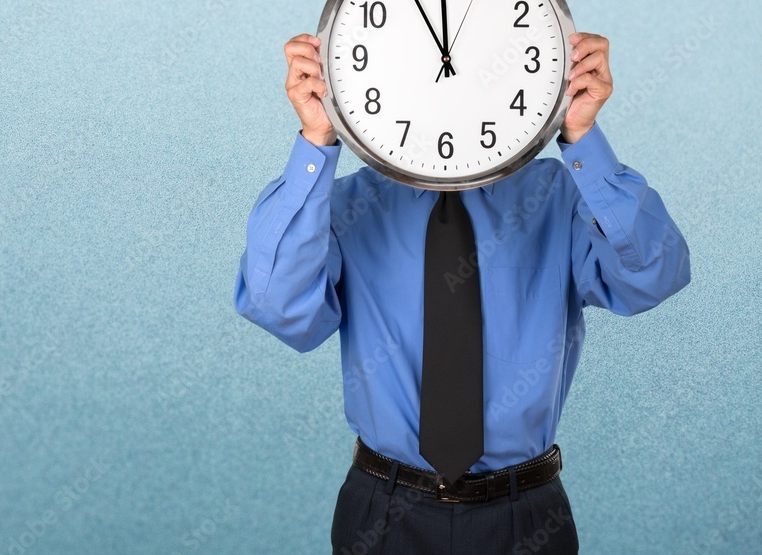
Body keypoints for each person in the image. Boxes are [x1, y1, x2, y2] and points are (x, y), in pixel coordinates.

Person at [233, 31, 691, 554]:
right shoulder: (347, 205)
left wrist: (582, 136)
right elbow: (279, 309)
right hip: (382, 513)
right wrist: (316, 142)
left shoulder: (557, 196)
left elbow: (653, 277)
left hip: (526, 514)